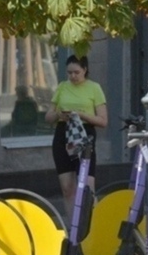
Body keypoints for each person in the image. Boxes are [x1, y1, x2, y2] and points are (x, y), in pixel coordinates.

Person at [45, 55, 107, 221]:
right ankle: (73, 228)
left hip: (84, 135)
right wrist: (59, 114)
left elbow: (103, 120)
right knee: (67, 187)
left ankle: (91, 226)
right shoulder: (62, 87)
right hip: (63, 133)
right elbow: (48, 116)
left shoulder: (94, 88)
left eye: (76, 72)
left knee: (87, 186)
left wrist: (81, 115)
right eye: (69, 73)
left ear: (85, 70)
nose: (72, 76)